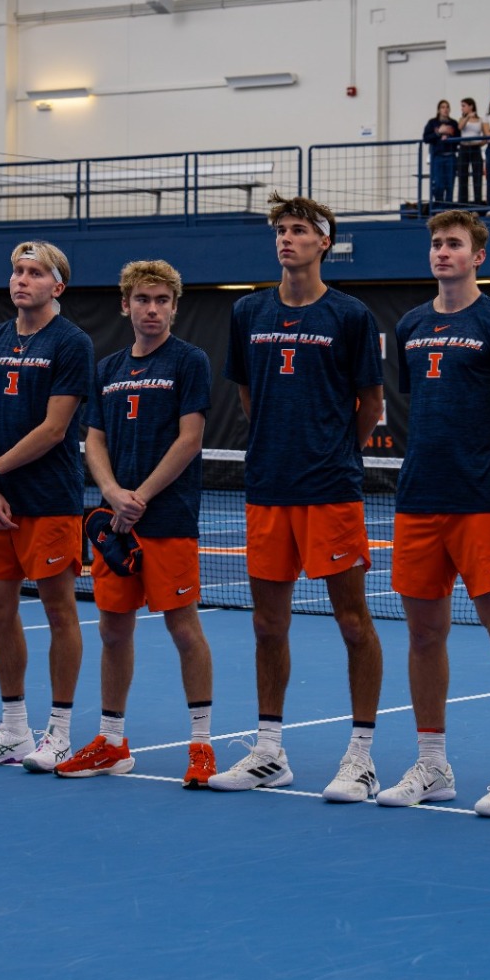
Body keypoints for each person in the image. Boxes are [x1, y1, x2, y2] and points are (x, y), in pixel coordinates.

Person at [209, 194, 387, 801]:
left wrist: (332, 451)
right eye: (281, 230)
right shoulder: (247, 312)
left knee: (354, 623)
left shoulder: (351, 316)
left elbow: (371, 407)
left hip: (330, 490)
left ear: (324, 243)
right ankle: (268, 751)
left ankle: (361, 756)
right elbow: (247, 399)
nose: (288, 239)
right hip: (267, 490)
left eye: (300, 231)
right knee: (266, 624)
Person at [376, 210, 490, 814]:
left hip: (483, 506)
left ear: (479, 256)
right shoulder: (414, 324)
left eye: (455, 244)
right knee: (424, 634)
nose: (443, 252)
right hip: (419, 501)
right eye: (437, 244)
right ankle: (432, 764)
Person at [60, 260, 218, 787]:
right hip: (115, 523)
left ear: (174, 306)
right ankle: (111, 742)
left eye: (162, 300)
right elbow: (95, 440)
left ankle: (200, 745)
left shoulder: (189, 361)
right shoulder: (105, 370)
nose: (152, 309)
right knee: (112, 630)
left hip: (167, 518)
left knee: (183, 628)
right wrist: (111, 493)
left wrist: (141, 497)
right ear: (125, 304)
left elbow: (190, 439)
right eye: (143, 299)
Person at [0, 241, 94, 769]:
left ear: (57, 286)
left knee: (60, 610)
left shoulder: (71, 342)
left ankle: (58, 731)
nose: (22, 280)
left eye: (35, 273)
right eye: (17, 270)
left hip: (50, 502)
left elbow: (55, 429)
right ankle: (13, 728)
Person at [424, 100, 459, 206]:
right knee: (438, 184)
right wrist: (439, 133)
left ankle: (448, 208)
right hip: (438, 157)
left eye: (447, 107)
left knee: (450, 185)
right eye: (443, 107)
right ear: (439, 110)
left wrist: (449, 137)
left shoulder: (453, 123)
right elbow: (426, 138)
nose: (445, 109)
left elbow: (459, 139)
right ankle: (438, 206)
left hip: (451, 156)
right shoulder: (432, 123)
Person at [455, 97, 486, 206]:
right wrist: (467, 117)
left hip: (475, 149)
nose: (462, 108)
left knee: (477, 176)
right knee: (463, 177)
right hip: (464, 148)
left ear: (471, 106)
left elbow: (485, 136)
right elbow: (460, 127)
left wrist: (479, 143)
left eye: (464, 106)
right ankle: (463, 204)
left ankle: (478, 204)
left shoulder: (480, 120)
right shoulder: (462, 119)